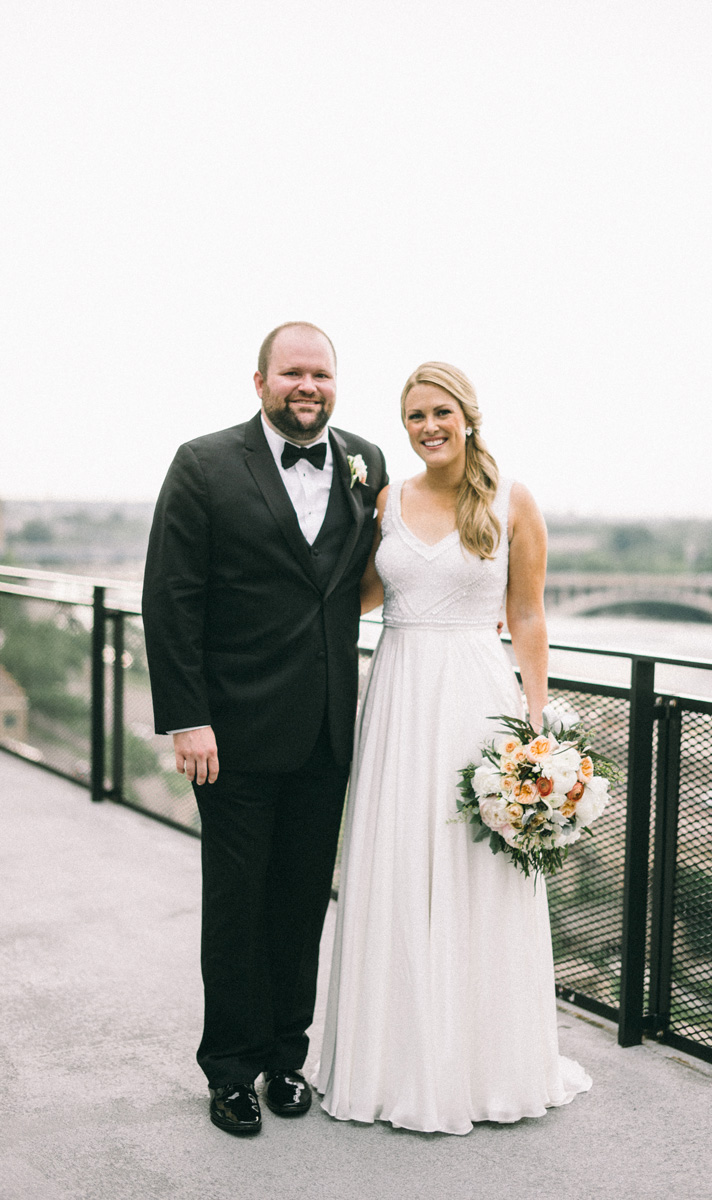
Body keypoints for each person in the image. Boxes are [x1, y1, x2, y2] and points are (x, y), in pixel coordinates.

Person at [313, 361, 591, 1134]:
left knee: (477, 873)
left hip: (476, 696)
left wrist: (537, 721)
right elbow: (360, 596)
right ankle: (389, 1062)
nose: (427, 427)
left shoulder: (512, 501)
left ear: (468, 416)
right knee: (396, 862)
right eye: (413, 417)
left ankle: (482, 1066)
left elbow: (528, 617)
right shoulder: (385, 501)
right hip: (400, 695)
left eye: (440, 412)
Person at [142, 322, 388, 1135]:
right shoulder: (205, 463)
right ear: (260, 383)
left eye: (320, 373)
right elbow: (171, 596)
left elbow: (357, 582)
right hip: (233, 735)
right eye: (292, 374)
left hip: (325, 731)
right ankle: (231, 1070)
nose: (307, 386)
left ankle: (288, 1056)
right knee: (238, 905)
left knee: (299, 904)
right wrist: (188, 717)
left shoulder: (366, 462)